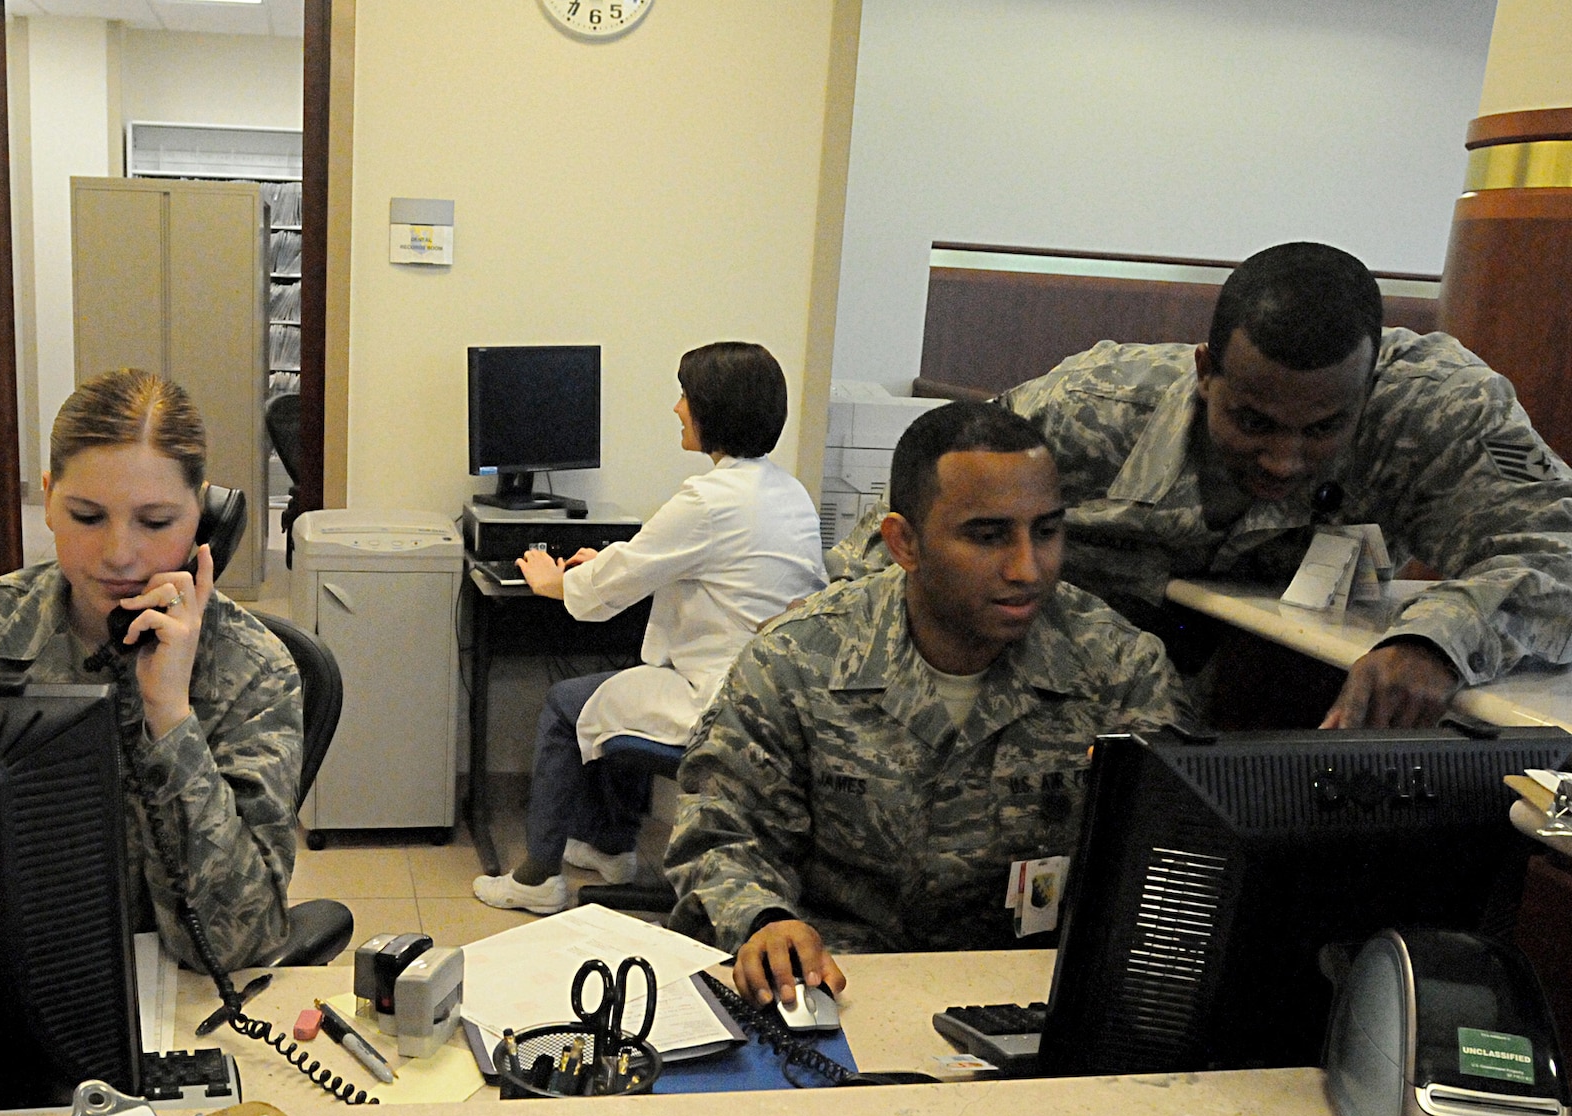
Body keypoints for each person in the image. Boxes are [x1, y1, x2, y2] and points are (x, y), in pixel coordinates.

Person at [829, 242, 1572, 729]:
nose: (1283, 461)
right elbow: (900, 541)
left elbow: (1557, 554)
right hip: (1057, 699)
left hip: (1287, 716)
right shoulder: (1093, 408)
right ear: (1205, 372)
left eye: (1323, 429)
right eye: (1252, 422)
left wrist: (1438, 641)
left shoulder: (1438, 411)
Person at [668, 401, 1190, 1008]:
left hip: (1026, 991)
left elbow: (1172, 868)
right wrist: (764, 920)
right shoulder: (798, 660)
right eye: (988, 536)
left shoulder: (1119, 669)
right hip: (838, 983)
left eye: (1047, 531)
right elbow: (721, 828)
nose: (1027, 568)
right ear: (904, 543)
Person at [0, 368, 301, 972]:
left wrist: (169, 717)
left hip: (168, 994)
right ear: (49, 500)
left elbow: (238, 943)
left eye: (155, 522)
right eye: (87, 516)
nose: (119, 554)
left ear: (207, 517)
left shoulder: (255, 671)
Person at [473, 341, 829, 914]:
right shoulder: (789, 493)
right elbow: (677, 563)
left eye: (685, 396)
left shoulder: (707, 501)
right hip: (777, 702)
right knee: (622, 683)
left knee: (566, 704)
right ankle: (611, 848)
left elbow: (609, 588)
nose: (676, 408)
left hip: (719, 702)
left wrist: (552, 581)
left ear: (712, 410)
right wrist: (611, 563)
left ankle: (537, 877)